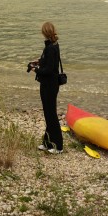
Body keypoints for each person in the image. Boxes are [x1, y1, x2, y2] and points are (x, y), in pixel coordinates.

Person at [28, 21, 63, 154]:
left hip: (49, 84)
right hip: (50, 84)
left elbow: (48, 70)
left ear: (44, 32)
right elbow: (50, 62)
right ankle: (47, 143)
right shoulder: (53, 45)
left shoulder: (50, 48)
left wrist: (35, 69)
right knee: (48, 114)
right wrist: (39, 61)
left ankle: (58, 146)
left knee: (51, 114)